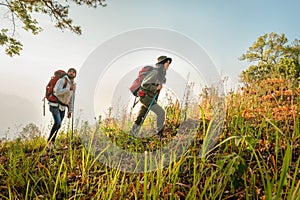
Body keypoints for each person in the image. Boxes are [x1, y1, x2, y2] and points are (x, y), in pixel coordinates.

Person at [131, 56, 172, 137]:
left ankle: (131, 136)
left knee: (140, 118)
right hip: (146, 97)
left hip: (146, 97)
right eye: (167, 62)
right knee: (161, 113)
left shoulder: (160, 74)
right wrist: (156, 88)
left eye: (169, 63)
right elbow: (144, 84)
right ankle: (159, 134)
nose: (168, 65)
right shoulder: (155, 72)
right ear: (162, 64)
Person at [47, 68, 76, 148]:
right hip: (54, 103)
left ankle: (52, 142)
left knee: (58, 125)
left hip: (63, 106)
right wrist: (68, 89)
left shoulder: (73, 85)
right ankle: (49, 143)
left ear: (75, 75)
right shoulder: (62, 80)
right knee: (58, 122)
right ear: (67, 73)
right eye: (70, 71)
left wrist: (70, 110)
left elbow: (71, 98)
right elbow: (57, 91)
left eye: (73, 72)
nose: (71, 73)